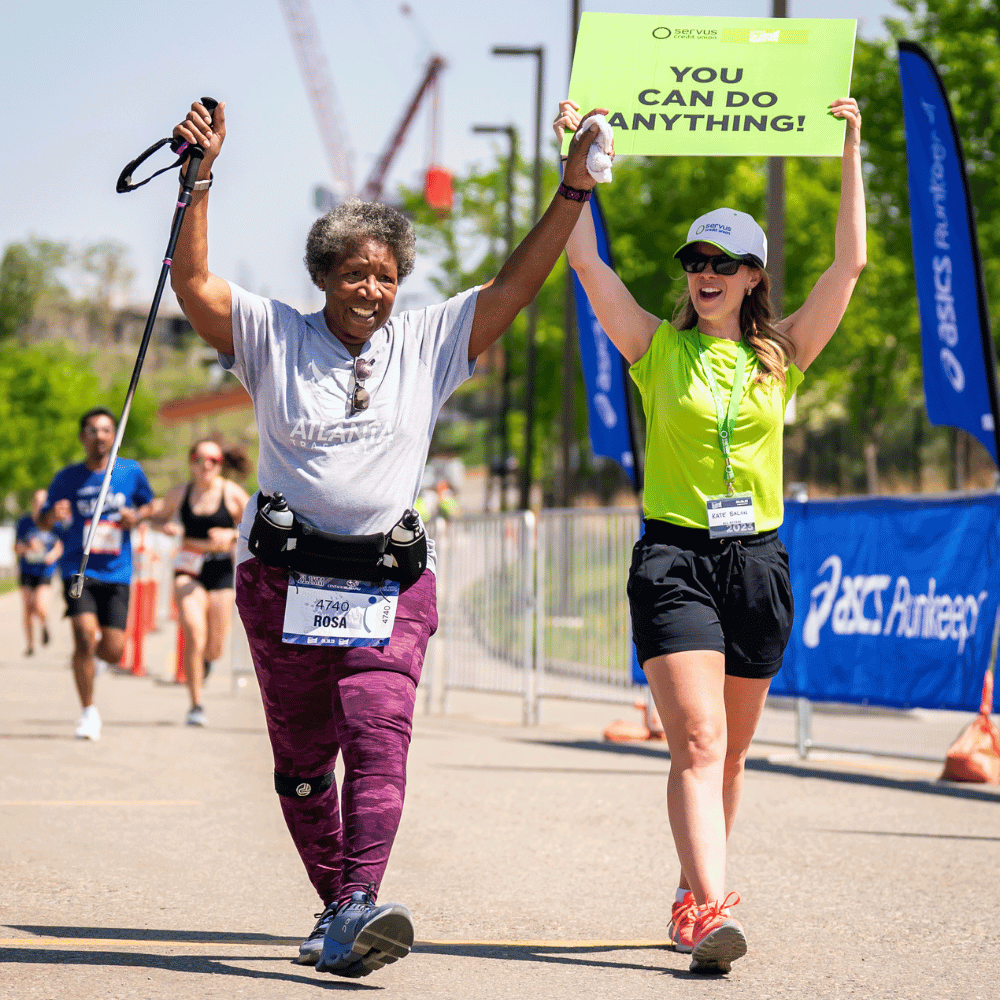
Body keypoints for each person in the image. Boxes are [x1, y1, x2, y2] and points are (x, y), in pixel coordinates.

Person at [168, 98, 610, 978]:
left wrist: (572, 187)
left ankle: (363, 900)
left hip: (387, 588)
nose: (372, 289)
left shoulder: (429, 342)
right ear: (325, 276)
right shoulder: (271, 336)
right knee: (301, 765)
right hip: (285, 584)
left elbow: (516, 285)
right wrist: (198, 179)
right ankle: (339, 911)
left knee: (379, 731)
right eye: (355, 274)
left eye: (386, 275)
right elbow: (194, 287)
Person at [556, 97, 866, 973]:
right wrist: (572, 157)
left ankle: (693, 892)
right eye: (697, 259)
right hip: (675, 559)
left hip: (758, 563)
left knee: (727, 759)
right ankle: (713, 912)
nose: (708, 271)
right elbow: (584, 259)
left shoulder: (781, 356)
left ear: (753, 277)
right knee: (695, 741)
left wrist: (850, 145)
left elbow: (850, 264)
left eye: (727, 261)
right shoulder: (654, 348)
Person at [38, 407, 155, 741]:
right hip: (79, 568)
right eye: (92, 430)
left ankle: (97, 661)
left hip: (117, 571)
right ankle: (88, 712)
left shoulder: (130, 472)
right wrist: (53, 515)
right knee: (85, 637)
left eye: (106, 430)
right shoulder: (67, 478)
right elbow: (45, 520)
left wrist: (138, 516)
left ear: (115, 436)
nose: (100, 437)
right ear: (82, 437)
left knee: (114, 651)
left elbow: (150, 505)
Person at [146, 439, 249, 726]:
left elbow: (254, 526)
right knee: (193, 630)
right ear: (191, 461)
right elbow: (155, 519)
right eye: (199, 459)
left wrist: (229, 536)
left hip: (219, 570)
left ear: (220, 465)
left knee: (214, 646)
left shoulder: (232, 494)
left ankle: (206, 662)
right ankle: (196, 704)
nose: (205, 465)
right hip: (188, 567)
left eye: (212, 460)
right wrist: (165, 527)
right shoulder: (180, 492)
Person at [14, 489, 63, 656]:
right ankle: (30, 645)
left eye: (44, 501)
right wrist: (28, 547)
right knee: (28, 608)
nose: (41, 504)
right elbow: (16, 547)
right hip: (27, 570)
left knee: (40, 607)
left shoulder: (53, 521)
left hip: (45, 570)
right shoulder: (25, 522)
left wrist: (52, 554)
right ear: (33, 502)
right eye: (38, 501)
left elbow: (60, 545)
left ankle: (44, 626)